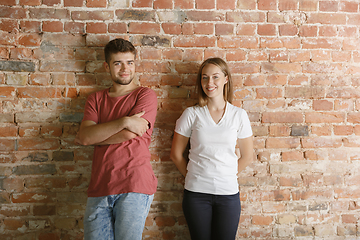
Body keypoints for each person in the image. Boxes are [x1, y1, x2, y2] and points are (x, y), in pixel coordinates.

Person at [75, 38, 158, 240]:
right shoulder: (95, 99)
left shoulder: (145, 95)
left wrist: (98, 135)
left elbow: (133, 132)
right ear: (107, 66)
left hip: (134, 184)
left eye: (129, 62)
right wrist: (124, 121)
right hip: (100, 186)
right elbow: (85, 137)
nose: (124, 69)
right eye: (117, 63)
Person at [170, 58, 253, 240]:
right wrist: (196, 176)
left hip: (228, 195)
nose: (210, 83)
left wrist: (226, 175)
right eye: (205, 77)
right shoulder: (191, 114)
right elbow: (176, 155)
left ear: (226, 79)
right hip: (196, 195)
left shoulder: (239, 115)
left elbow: (247, 156)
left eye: (215, 77)